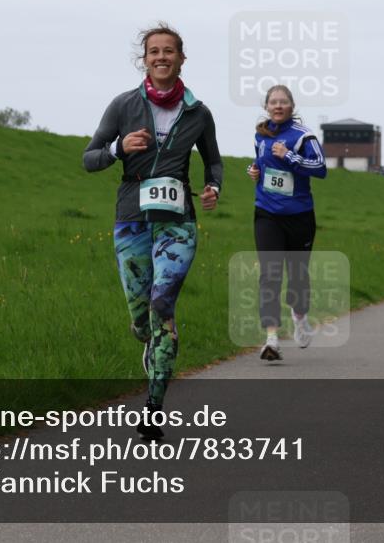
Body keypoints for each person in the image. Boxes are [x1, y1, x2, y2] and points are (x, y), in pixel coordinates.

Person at [82, 23, 222, 440]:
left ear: (181, 58)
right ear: (144, 59)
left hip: (177, 222)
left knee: (163, 305)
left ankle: (154, 406)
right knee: (142, 318)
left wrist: (214, 186)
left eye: (169, 51)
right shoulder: (123, 105)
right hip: (132, 219)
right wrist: (118, 149)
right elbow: (89, 158)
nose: (161, 57)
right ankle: (148, 341)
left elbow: (214, 161)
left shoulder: (198, 112)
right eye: (153, 51)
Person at [246, 85, 326, 361]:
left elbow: (321, 168)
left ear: (292, 107)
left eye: (283, 102)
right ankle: (271, 339)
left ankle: (299, 315)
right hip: (267, 213)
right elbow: (261, 162)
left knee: (298, 276)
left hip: (300, 216)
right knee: (270, 274)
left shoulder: (304, 136)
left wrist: (289, 156)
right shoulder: (261, 133)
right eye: (273, 102)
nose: (278, 106)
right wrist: (254, 170)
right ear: (266, 106)